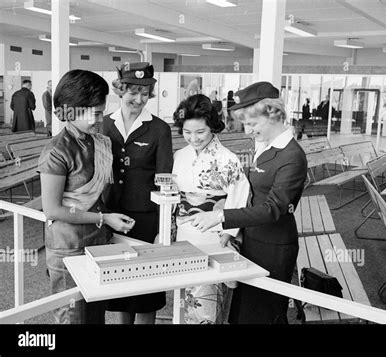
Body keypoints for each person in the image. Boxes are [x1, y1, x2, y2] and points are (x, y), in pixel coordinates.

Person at [182, 82, 308, 324]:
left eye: (252, 124)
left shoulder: (291, 156)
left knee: (264, 313)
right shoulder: (265, 144)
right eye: (246, 124)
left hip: (273, 246)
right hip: (253, 240)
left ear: (273, 114)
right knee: (244, 312)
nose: (248, 130)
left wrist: (221, 216)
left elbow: (273, 208)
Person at [38, 69, 136, 324]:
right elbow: (53, 210)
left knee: (95, 315)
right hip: (68, 246)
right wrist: (105, 218)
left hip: (97, 241)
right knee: (72, 316)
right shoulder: (56, 152)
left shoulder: (99, 142)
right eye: (94, 113)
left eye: (101, 112)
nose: (99, 119)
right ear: (72, 110)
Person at [102, 62, 173, 325]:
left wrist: (164, 226)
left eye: (145, 93)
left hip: (146, 217)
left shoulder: (159, 129)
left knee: (146, 288)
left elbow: (165, 178)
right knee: (121, 284)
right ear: (120, 90)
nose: (139, 99)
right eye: (133, 92)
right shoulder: (103, 125)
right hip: (112, 214)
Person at [172, 94, 250, 324]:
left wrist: (228, 232)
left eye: (200, 132)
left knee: (207, 300)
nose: (193, 139)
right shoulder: (179, 156)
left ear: (212, 128)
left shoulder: (228, 159)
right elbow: (175, 197)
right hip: (184, 234)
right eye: (187, 132)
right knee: (182, 298)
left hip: (214, 234)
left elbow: (239, 199)